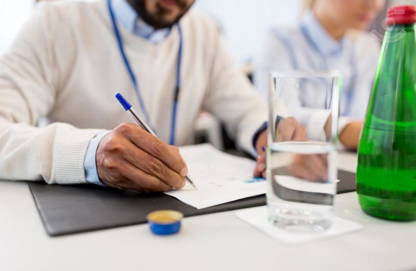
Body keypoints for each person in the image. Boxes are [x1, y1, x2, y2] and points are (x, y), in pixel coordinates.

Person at [0, 0, 303, 191]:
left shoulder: (201, 31)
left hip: (180, 213)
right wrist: (90, 155)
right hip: (84, 218)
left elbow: (245, 107)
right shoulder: (55, 21)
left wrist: (268, 131)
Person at [254, 0, 385, 150]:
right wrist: (344, 129)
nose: (374, 4)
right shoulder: (280, 40)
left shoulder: (368, 47)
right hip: (303, 162)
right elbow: (281, 119)